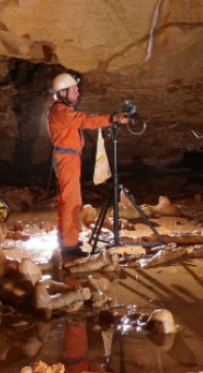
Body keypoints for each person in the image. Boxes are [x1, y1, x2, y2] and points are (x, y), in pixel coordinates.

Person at [47, 72, 129, 257]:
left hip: (67, 157)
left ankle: (66, 239)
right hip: (67, 159)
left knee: (66, 201)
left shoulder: (59, 110)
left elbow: (83, 119)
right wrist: (111, 118)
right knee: (72, 202)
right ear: (62, 92)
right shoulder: (61, 111)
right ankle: (69, 245)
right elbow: (85, 120)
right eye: (74, 90)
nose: (78, 93)